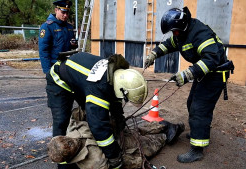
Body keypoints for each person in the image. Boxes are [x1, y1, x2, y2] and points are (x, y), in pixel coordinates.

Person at [46, 50, 184, 168]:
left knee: (98, 119)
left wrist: (119, 120)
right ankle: (63, 166)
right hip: (60, 81)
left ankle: (163, 127)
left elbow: (115, 101)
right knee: (61, 122)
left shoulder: (117, 76)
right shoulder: (98, 90)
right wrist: (115, 158)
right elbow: (99, 127)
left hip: (80, 79)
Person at [145, 7, 233, 163]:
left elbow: (212, 59)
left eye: (175, 31)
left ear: (182, 25)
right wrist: (154, 54)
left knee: (199, 109)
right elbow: (168, 44)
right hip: (204, 74)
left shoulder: (200, 34)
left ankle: (197, 150)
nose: (174, 34)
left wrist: (188, 73)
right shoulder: (181, 34)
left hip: (215, 75)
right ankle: (199, 131)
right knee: (191, 102)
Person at [47, 107, 185, 169]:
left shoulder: (72, 127)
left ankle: (162, 125)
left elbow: (83, 110)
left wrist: (106, 115)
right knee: (151, 144)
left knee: (141, 129)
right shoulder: (92, 164)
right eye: (70, 145)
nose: (73, 140)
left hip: (118, 132)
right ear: (71, 154)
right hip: (126, 149)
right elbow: (118, 164)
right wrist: (137, 161)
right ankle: (168, 134)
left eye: (67, 139)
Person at [39, 0, 77, 74]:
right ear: (56, 10)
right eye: (63, 12)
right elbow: (43, 51)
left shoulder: (69, 27)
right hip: (54, 66)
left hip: (67, 65)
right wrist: (47, 72)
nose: (65, 15)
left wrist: (74, 44)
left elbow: (72, 46)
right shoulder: (47, 26)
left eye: (67, 13)